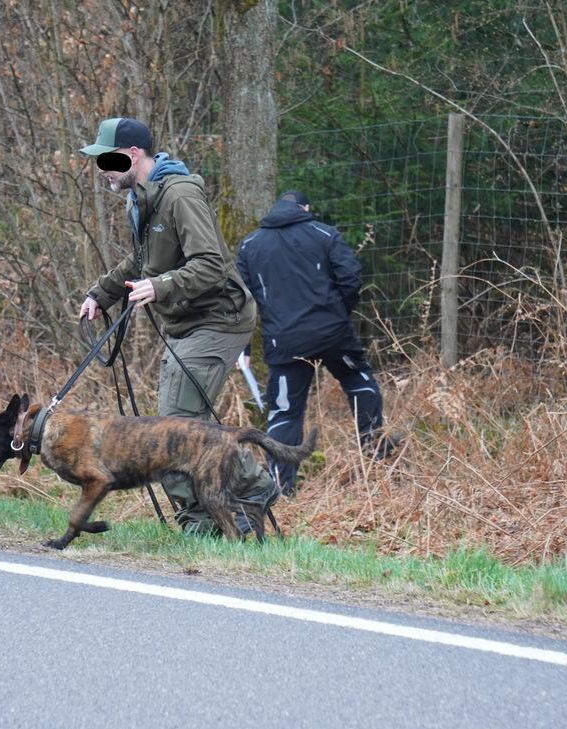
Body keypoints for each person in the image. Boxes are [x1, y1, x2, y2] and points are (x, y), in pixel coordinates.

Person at [77, 116, 278, 535]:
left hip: (219, 319)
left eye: (107, 160)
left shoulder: (180, 194)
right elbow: (141, 262)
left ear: (133, 154)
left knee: (174, 428)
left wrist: (161, 285)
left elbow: (211, 264)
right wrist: (101, 294)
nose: (102, 171)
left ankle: (241, 497)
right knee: (180, 426)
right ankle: (210, 518)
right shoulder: (142, 199)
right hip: (187, 323)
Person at [236, 190, 392, 496]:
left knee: (284, 411)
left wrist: (243, 349)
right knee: (359, 382)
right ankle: (377, 461)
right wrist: (336, 314)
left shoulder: (250, 245)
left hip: (284, 343)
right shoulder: (324, 233)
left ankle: (280, 486)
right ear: (305, 207)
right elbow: (351, 278)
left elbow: (240, 300)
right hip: (333, 335)